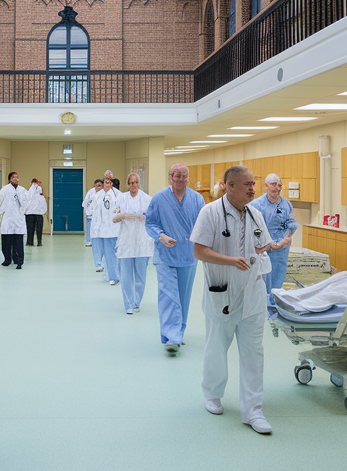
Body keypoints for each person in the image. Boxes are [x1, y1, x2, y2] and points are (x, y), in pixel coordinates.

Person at [191, 165, 282, 435]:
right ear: (229, 186)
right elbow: (199, 250)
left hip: (253, 293)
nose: (253, 188)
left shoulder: (256, 214)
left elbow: (261, 245)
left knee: (254, 353)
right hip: (222, 292)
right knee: (216, 348)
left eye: (253, 183)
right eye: (246, 184)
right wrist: (231, 260)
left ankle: (253, 410)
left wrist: (263, 250)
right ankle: (213, 394)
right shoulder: (210, 213)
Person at [145, 164, 205, 355]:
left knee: (183, 297)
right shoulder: (159, 198)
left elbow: (205, 225)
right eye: (177, 176)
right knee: (168, 294)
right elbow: (151, 222)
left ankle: (179, 332)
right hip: (165, 255)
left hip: (188, 255)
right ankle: (171, 337)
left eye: (184, 176)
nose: (181, 179)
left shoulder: (197, 199)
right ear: (170, 177)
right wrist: (161, 236)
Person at [250, 174, 299, 314]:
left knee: (277, 279)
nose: (276, 188)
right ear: (266, 185)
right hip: (263, 248)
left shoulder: (286, 205)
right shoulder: (256, 205)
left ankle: (274, 308)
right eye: (273, 184)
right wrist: (268, 243)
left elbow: (291, 224)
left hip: (281, 249)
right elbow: (254, 227)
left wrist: (284, 240)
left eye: (279, 185)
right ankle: (261, 309)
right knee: (263, 278)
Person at [114, 173, 153, 315]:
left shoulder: (148, 199)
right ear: (127, 184)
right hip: (126, 241)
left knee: (140, 275)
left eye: (136, 182)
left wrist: (141, 217)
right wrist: (123, 216)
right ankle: (128, 304)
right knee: (126, 275)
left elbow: (152, 218)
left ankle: (137, 302)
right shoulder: (121, 198)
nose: (133, 185)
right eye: (131, 183)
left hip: (142, 242)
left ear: (139, 183)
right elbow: (115, 217)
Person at [90, 176, 124, 285]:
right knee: (106, 254)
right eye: (105, 182)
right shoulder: (98, 196)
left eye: (109, 182)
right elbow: (93, 209)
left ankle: (117, 275)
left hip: (115, 230)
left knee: (115, 254)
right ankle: (110, 275)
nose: (107, 184)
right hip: (102, 231)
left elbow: (119, 208)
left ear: (112, 184)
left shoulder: (117, 195)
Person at [0, 171, 28, 269]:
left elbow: (27, 202)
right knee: (7, 241)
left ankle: (18, 260)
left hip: (18, 219)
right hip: (8, 218)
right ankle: (6, 260)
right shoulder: (5, 189)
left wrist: (22, 212)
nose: (16, 179)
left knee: (18, 241)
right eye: (14, 177)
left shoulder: (22, 190)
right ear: (10, 179)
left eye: (17, 177)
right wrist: (2, 211)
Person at [83, 179, 105, 269]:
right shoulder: (91, 193)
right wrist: (88, 212)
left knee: (102, 243)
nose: (98, 187)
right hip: (91, 217)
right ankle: (98, 264)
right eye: (96, 185)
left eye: (100, 185)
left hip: (102, 220)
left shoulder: (105, 194)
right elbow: (86, 203)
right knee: (94, 238)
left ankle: (102, 262)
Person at [24, 178, 47, 247]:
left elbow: (43, 204)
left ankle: (38, 241)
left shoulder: (40, 194)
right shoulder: (29, 193)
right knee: (30, 228)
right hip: (30, 213)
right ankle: (30, 241)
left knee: (38, 228)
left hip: (38, 213)